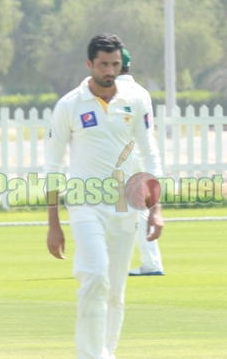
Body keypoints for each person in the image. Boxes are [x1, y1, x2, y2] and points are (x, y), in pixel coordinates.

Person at [45, 34, 164, 359]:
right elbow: (53, 165)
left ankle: (106, 352)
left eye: (115, 64)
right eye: (103, 64)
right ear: (89, 64)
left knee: (115, 290)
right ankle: (90, 355)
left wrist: (156, 209)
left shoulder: (135, 99)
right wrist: (53, 223)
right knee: (94, 276)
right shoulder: (69, 105)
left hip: (126, 206)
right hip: (85, 204)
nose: (109, 70)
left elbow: (149, 153)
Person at [116, 49, 165, 277]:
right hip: (141, 155)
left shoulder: (110, 91)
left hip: (120, 158)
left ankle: (110, 261)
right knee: (141, 210)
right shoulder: (142, 91)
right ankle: (152, 262)